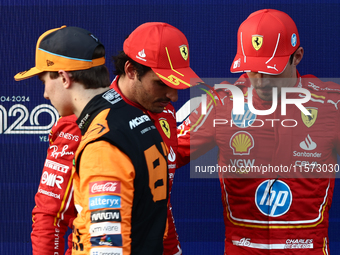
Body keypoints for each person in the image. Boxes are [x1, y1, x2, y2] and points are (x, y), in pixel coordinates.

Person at [177, 9, 340, 254]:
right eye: (253, 69)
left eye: (271, 71)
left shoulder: (331, 105)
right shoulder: (221, 103)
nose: (261, 81)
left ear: (297, 57)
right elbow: (162, 153)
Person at [14, 25, 169, 255]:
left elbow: (107, 247)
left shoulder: (102, 143)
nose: (45, 94)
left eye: (44, 80)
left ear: (64, 78)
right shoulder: (138, 118)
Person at [111, 22, 202, 255]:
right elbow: (51, 216)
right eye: (162, 83)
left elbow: (160, 185)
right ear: (131, 71)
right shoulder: (88, 120)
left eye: (177, 84)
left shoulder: (164, 109)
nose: (173, 96)